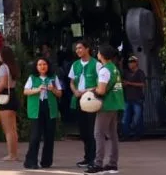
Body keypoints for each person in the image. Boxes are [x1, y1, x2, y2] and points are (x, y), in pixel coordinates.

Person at [88, 44, 124, 175]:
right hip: (115, 104)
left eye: (98, 52)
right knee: (113, 135)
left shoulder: (104, 70)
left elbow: (102, 90)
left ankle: (98, 164)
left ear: (101, 55)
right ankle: (113, 164)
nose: (97, 54)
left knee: (99, 134)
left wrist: (93, 91)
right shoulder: (114, 68)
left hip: (106, 105)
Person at [23, 57, 62, 170]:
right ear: (36, 67)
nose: (42, 67)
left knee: (49, 136)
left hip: (50, 108)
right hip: (36, 108)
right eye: (39, 65)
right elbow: (25, 91)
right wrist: (37, 89)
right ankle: (31, 162)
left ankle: (46, 161)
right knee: (35, 136)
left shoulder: (53, 77)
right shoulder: (32, 77)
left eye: (44, 64)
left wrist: (53, 89)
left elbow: (60, 94)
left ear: (48, 66)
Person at [68, 39, 98, 169]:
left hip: (92, 100)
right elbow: (71, 82)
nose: (78, 50)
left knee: (92, 131)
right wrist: (75, 91)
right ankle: (87, 157)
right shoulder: (75, 64)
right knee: (83, 131)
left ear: (87, 49)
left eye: (80, 48)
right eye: (76, 48)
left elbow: (100, 84)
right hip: (79, 100)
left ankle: (94, 158)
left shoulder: (96, 64)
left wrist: (86, 90)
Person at [0, 46, 20, 161]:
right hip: (12, 95)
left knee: (8, 129)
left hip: (4, 96)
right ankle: (14, 153)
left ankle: (11, 155)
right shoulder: (11, 67)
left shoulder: (4, 67)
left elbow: (3, 84)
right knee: (12, 128)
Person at [121, 55, 146, 141]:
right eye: (129, 62)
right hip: (128, 98)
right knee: (125, 118)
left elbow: (143, 84)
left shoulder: (140, 72)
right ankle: (125, 135)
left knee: (137, 117)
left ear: (136, 63)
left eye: (132, 62)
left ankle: (137, 135)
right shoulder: (126, 73)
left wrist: (130, 83)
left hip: (137, 99)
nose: (130, 64)